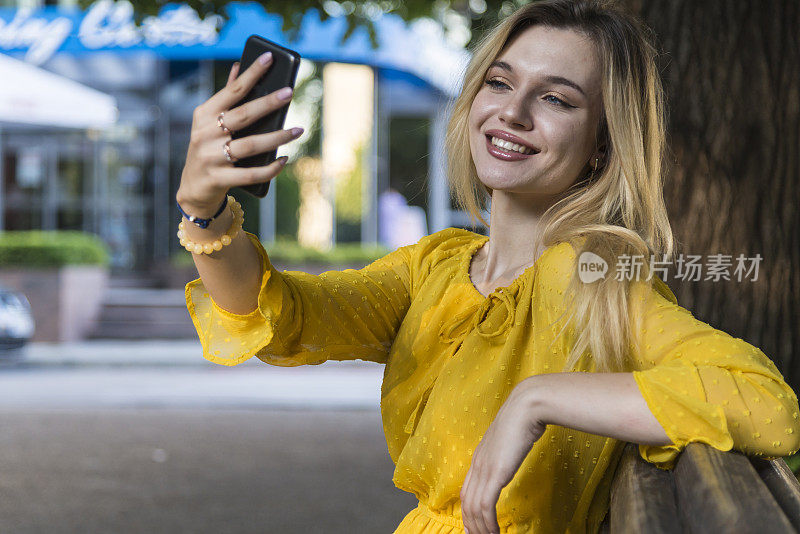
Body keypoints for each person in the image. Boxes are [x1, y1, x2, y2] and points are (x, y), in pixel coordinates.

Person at [175, 1, 800, 532]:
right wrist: (204, 211)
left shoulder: (591, 283)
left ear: (602, 145)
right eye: (499, 83)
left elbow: (769, 404)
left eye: (556, 98)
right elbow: (278, 312)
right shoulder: (437, 267)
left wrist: (538, 397)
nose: (513, 111)